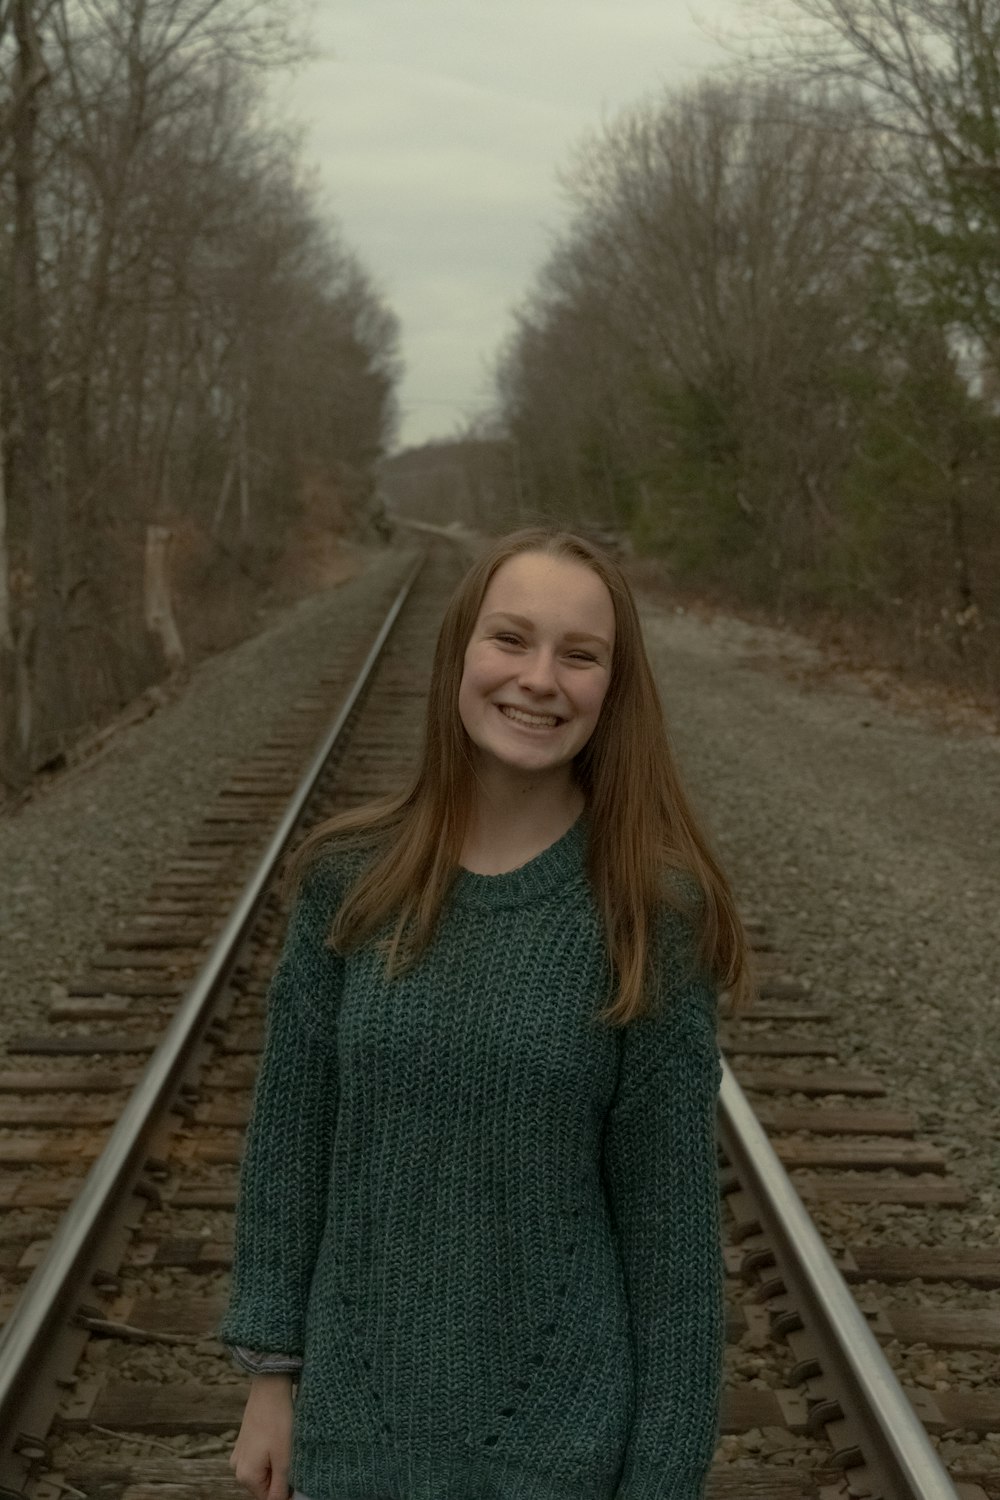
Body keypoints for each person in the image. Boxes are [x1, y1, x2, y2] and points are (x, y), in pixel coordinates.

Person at [218, 527, 753, 1500]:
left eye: (578, 654)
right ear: (458, 653)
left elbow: (670, 1242)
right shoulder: (349, 881)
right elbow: (290, 1143)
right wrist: (271, 1380)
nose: (539, 678)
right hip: (354, 1432)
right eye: (510, 639)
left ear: (611, 688)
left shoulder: (649, 913)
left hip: (560, 1451)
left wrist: (662, 1479)